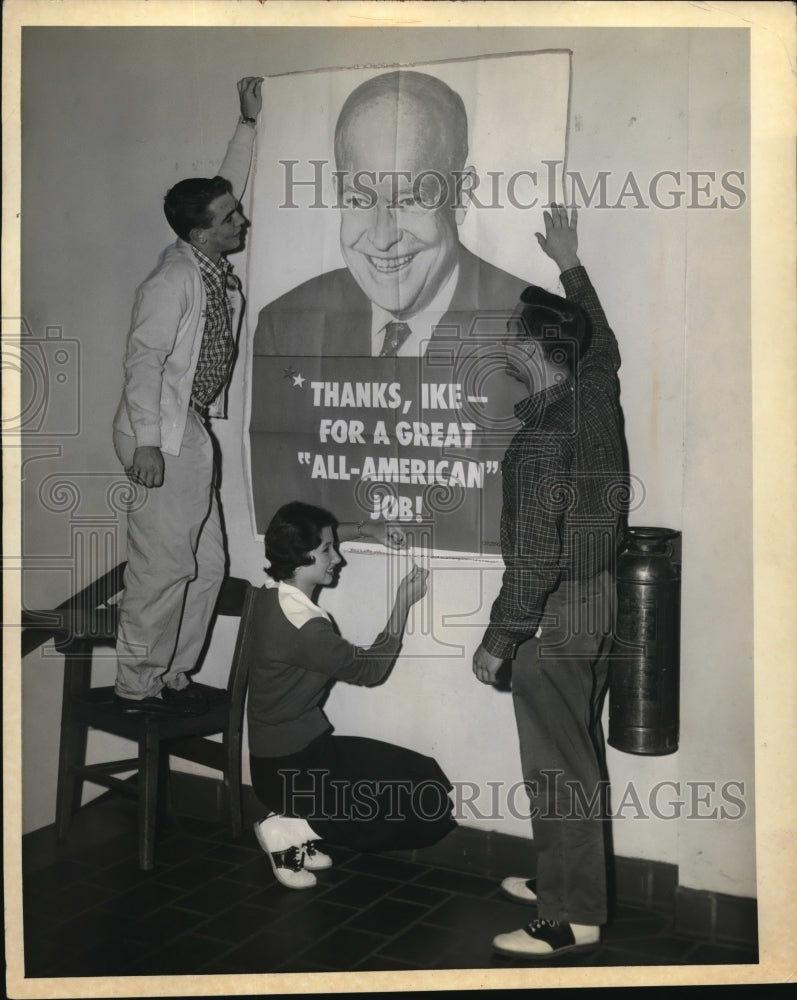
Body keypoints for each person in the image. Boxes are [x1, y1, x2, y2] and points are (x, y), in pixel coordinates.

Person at [472, 204, 627, 959]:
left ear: (536, 352)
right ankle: (562, 877)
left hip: (559, 614)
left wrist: (498, 642)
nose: (503, 343)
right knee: (574, 756)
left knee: (557, 768)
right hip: (601, 601)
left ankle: (571, 913)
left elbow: (532, 559)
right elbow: (604, 346)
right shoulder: (591, 393)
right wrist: (569, 263)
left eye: (511, 336)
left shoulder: (539, 442)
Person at [112, 77, 263, 715]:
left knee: (206, 562)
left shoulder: (201, 255)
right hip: (160, 434)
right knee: (164, 564)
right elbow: (142, 360)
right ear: (203, 235)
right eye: (230, 219)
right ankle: (135, 684)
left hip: (187, 428)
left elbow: (221, 189)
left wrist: (247, 125)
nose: (241, 219)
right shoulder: (172, 279)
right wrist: (148, 443)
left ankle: (171, 673)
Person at [248, 501, 457, 889]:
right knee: (421, 804)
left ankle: (303, 828)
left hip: (294, 756)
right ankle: (290, 830)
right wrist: (402, 605)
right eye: (328, 550)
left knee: (420, 774)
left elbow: (312, 533)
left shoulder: (268, 595)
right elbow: (370, 670)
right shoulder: (306, 628)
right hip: (291, 770)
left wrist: (369, 529)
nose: (337, 558)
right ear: (302, 555)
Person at [253, 69, 528, 359]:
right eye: (359, 200)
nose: (382, 239)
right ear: (338, 194)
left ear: (459, 195)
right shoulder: (285, 328)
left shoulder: (531, 324)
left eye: (410, 199)